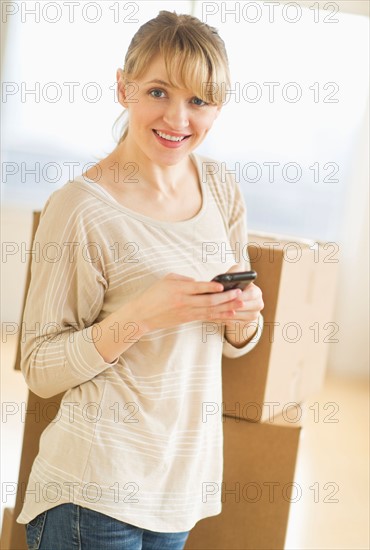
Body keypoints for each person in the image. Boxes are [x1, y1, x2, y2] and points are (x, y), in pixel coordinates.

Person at [17, 10, 264, 550]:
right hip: (94, 491)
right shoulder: (80, 209)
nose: (177, 118)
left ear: (217, 108)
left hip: (178, 489)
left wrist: (244, 319)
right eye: (158, 91)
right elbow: (40, 367)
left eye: (198, 101)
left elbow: (230, 341)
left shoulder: (220, 186)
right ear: (123, 87)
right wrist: (137, 318)